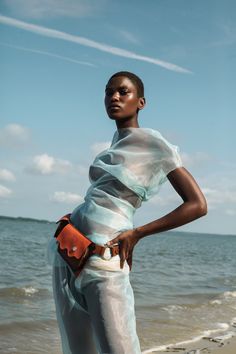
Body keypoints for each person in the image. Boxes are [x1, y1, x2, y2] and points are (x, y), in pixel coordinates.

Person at [48, 71, 207, 354]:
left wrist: (137, 233)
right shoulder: (115, 143)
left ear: (141, 102)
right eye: (109, 92)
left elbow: (197, 205)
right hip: (68, 253)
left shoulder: (154, 143)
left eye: (123, 92)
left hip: (105, 259)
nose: (114, 97)